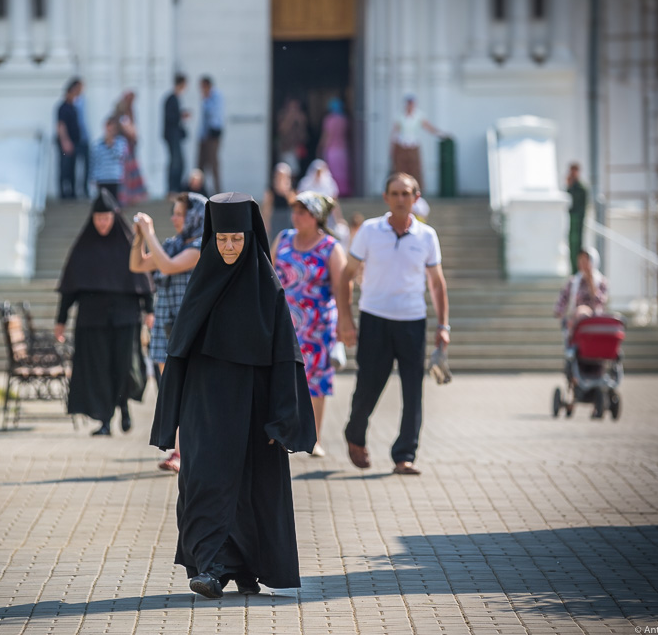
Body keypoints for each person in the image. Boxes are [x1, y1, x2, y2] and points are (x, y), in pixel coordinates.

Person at [151, 192, 316, 599]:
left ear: (250, 238)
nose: (228, 247)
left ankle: (241, 567)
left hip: (255, 411)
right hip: (203, 410)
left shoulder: (269, 292)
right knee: (203, 482)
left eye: (236, 239)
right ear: (211, 238)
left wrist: (282, 418)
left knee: (249, 489)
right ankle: (210, 566)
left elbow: (285, 359)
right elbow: (179, 356)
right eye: (221, 239)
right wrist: (170, 417)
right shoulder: (200, 287)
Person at [337, 173, 449, 476]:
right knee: (367, 388)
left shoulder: (427, 236)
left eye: (407, 193)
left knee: (413, 390)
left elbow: (437, 284)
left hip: (413, 321)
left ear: (416, 197)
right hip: (375, 319)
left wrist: (444, 325)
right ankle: (354, 435)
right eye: (395, 193)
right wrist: (345, 318)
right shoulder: (370, 231)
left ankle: (404, 455)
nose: (401, 199)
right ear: (386, 197)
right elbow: (346, 276)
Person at [55, 190, 155, 436]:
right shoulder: (84, 246)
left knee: (123, 367)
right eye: (98, 218)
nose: (102, 222)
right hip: (93, 319)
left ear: (114, 217)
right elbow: (70, 287)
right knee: (98, 370)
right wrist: (61, 320)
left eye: (106, 218)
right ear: (93, 218)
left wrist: (149, 310)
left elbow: (143, 279)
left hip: (125, 317)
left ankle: (123, 405)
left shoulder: (127, 241)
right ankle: (105, 419)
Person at [129, 192, 207, 473]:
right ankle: (179, 451)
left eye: (180, 213)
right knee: (172, 392)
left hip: (189, 328)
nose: (174, 218)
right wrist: (140, 236)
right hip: (165, 325)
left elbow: (168, 266)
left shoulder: (202, 245)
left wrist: (149, 232)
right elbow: (137, 265)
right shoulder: (173, 244)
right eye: (173, 213)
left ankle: (186, 451)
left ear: (196, 216)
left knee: (189, 391)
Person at [272, 191, 346, 458]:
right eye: (295, 211)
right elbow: (269, 276)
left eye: (302, 212)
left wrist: (344, 325)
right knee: (282, 378)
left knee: (315, 382)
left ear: (316, 217)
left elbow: (341, 289)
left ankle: (313, 437)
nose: (296, 217)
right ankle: (283, 432)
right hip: (283, 323)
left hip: (318, 326)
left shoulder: (330, 247)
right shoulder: (283, 240)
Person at [390, 95, 446, 193]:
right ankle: (400, 189)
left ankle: (415, 190)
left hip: (413, 145)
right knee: (401, 169)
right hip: (402, 146)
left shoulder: (418, 115)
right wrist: (392, 146)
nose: (410, 106)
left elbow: (427, 126)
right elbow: (395, 131)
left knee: (415, 169)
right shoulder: (400, 115)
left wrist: (440, 133)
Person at [554, 247, 609, 343]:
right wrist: (560, 312)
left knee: (582, 311)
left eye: (586, 260)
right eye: (580, 260)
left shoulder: (601, 282)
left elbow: (599, 302)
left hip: (595, 319)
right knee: (580, 312)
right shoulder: (573, 281)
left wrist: (590, 280)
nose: (582, 263)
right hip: (576, 319)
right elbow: (563, 299)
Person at [114, 90, 148, 206]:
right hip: (125, 149)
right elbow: (131, 131)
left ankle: (131, 197)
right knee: (127, 173)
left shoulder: (124, 115)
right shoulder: (124, 116)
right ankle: (128, 197)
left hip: (128, 148)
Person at [317, 98, 351, 197]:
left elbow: (326, 135)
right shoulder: (345, 119)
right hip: (344, 150)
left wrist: (320, 147)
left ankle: (335, 193)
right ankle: (344, 192)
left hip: (331, 150)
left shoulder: (329, 120)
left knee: (332, 172)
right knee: (343, 172)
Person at [163, 73, 190, 192]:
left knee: (178, 163)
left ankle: (176, 188)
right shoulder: (171, 98)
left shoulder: (175, 98)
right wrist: (181, 115)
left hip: (175, 135)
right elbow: (170, 118)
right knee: (176, 163)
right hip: (172, 135)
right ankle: (173, 189)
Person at [90, 117, 128, 203]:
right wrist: (92, 178)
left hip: (115, 179)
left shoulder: (121, 142)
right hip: (102, 179)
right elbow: (94, 163)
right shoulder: (97, 145)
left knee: (115, 205)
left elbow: (120, 156)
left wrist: (111, 143)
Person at [56, 78, 83, 199]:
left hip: (75, 141)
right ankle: (64, 192)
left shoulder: (74, 107)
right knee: (65, 168)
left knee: (72, 168)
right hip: (67, 143)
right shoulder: (63, 107)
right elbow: (61, 126)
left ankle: (72, 192)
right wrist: (65, 141)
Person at [197, 76, 224, 193]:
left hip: (213, 135)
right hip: (204, 135)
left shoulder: (215, 96)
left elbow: (214, 115)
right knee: (200, 163)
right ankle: (200, 190)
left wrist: (206, 100)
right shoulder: (206, 98)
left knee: (213, 163)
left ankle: (217, 190)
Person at [262, 162, 295, 241]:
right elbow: (267, 206)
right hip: (275, 217)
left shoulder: (291, 188)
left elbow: (294, 203)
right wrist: (265, 222)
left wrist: (286, 191)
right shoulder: (271, 189)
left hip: (287, 217)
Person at [276, 97, 309, 175]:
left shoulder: (301, 116)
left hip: (296, 148)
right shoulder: (283, 115)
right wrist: (290, 118)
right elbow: (282, 130)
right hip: (285, 148)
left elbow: (304, 134)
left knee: (295, 172)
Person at [566, 162, 588, 269]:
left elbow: (579, 206)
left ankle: (576, 269)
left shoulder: (581, 188)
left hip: (577, 222)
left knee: (576, 245)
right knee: (571, 245)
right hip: (570, 221)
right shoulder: (571, 186)